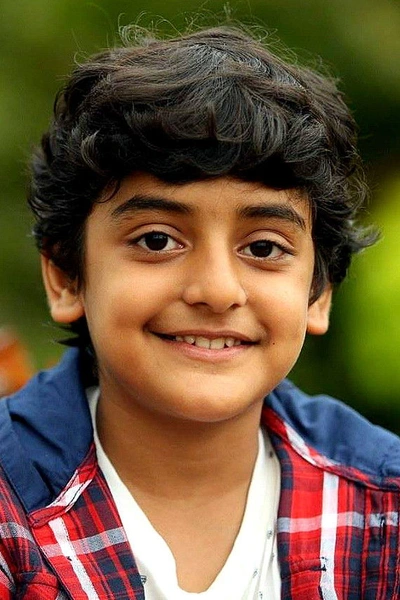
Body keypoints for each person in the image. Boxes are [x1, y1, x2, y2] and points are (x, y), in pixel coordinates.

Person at [0, 23, 398, 600]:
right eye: (157, 240)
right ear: (66, 276)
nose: (216, 290)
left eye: (264, 248)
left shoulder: (384, 509)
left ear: (318, 294)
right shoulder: (11, 508)